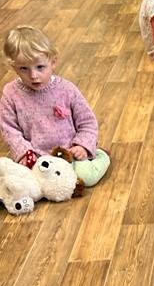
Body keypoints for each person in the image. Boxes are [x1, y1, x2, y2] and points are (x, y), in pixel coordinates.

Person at [1, 25, 110, 186]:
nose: (33, 75)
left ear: (53, 62)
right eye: (24, 69)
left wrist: (83, 145)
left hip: (69, 154)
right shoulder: (10, 93)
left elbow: (87, 121)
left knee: (87, 178)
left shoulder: (67, 89)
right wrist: (24, 152)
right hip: (36, 158)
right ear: (14, 68)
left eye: (40, 67)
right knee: (26, 185)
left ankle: (101, 156)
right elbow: (9, 129)